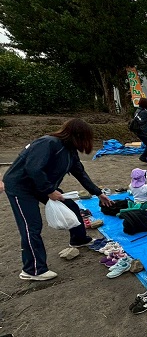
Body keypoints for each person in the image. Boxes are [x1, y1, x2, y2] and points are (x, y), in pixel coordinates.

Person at [2, 118, 113, 281]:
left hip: (41, 185)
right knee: (31, 226)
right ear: (78, 135)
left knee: (71, 206)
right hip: (21, 187)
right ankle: (32, 270)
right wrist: (49, 191)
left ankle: (78, 239)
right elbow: (33, 168)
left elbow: (80, 173)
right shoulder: (48, 143)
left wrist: (98, 193)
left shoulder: (70, 150)